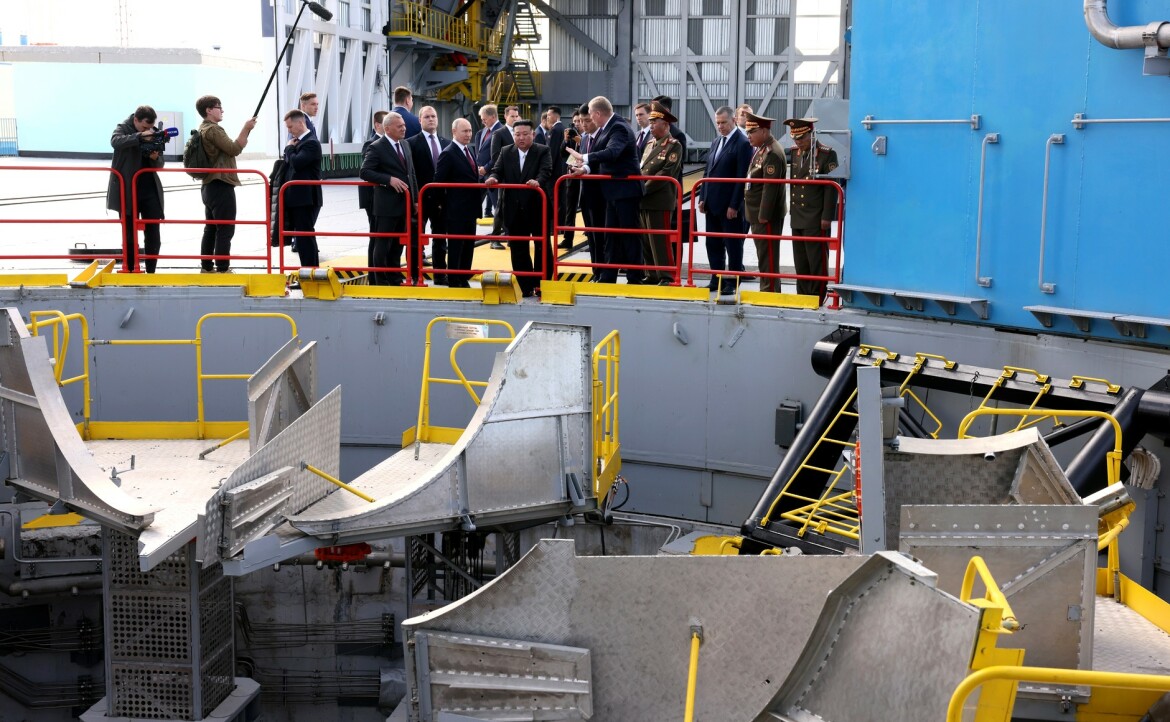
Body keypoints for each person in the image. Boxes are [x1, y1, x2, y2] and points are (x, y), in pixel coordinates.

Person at [567, 96, 644, 285]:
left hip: (625, 192)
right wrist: (585, 169)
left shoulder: (618, 128)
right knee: (610, 235)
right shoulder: (607, 129)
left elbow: (612, 153)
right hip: (612, 192)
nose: (589, 121)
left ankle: (635, 277)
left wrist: (583, 157)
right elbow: (602, 159)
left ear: (598, 113)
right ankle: (608, 276)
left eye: (590, 116)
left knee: (629, 235)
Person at [486, 119, 553, 297]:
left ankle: (543, 284)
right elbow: (497, 170)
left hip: (536, 206)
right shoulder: (506, 151)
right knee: (518, 248)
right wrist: (493, 178)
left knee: (542, 247)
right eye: (517, 135)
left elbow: (546, 171)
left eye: (525, 134)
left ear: (533, 134)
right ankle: (526, 286)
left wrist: (537, 181)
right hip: (514, 208)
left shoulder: (542, 150)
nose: (521, 138)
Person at [196, 95, 256, 273]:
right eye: (218, 107)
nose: (222, 110)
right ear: (208, 110)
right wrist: (246, 128)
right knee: (225, 228)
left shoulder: (202, 128)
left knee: (211, 228)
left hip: (209, 185)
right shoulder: (214, 130)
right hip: (221, 184)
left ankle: (207, 267)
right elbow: (234, 149)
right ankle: (223, 268)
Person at [698, 106, 753, 294]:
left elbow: (741, 177)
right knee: (713, 244)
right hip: (712, 204)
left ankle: (732, 282)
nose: (720, 126)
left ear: (734, 121)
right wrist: (703, 197)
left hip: (730, 206)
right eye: (718, 123)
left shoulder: (742, 143)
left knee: (733, 245)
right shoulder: (716, 141)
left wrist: (734, 205)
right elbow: (708, 171)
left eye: (724, 122)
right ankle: (716, 278)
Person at [784, 117, 839, 304]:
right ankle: (803, 295)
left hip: (816, 216)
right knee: (800, 260)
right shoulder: (795, 152)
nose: (798, 142)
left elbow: (830, 188)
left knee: (817, 260)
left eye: (801, 137)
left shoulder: (827, 154)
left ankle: (817, 296)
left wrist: (827, 216)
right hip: (798, 215)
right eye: (795, 138)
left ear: (811, 134)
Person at [359, 111, 419, 285]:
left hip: (404, 203)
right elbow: (365, 172)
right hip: (386, 205)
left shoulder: (405, 144)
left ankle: (395, 277)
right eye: (399, 126)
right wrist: (388, 180)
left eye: (404, 125)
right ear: (387, 128)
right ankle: (380, 279)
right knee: (383, 244)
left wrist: (415, 199)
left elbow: (411, 174)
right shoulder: (377, 147)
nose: (404, 128)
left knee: (398, 244)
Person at [108, 105, 165, 273]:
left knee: (153, 231)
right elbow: (115, 142)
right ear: (135, 120)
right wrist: (139, 136)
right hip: (127, 188)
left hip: (149, 188)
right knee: (129, 231)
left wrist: (155, 157)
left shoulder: (153, 132)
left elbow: (160, 164)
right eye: (144, 127)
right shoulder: (123, 128)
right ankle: (131, 269)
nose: (148, 130)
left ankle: (151, 270)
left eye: (150, 127)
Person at [638, 102, 683, 285]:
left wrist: (642, 189)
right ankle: (651, 273)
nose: (650, 125)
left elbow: (665, 174)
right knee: (646, 239)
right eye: (650, 122)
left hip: (659, 199)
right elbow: (642, 169)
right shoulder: (650, 144)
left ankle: (666, 275)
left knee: (659, 240)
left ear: (665, 124)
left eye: (654, 122)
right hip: (644, 199)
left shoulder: (673, 145)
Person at [434, 117, 481, 287]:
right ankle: (454, 279)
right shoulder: (448, 153)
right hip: (455, 209)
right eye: (465, 131)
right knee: (456, 246)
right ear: (454, 132)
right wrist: (444, 205)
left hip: (470, 208)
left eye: (470, 131)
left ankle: (463, 276)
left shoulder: (469, 150)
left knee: (468, 245)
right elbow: (438, 182)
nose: (468, 134)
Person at [743, 112, 787, 293]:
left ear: (763, 131)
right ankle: (768, 288)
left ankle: (770, 291)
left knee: (768, 255)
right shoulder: (762, 149)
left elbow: (770, 188)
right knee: (764, 255)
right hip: (756, 212)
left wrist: (764, 215)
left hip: (765, 216)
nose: (748, 136)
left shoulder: (772, 153)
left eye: (752, 132)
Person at [407, 105, 451, 283]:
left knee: (440, 239)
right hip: (420, 200)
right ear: (420, 120)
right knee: (415, 239)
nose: (431, 119)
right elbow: (409, 173)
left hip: (442, 200)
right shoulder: (411, 143)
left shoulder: (446, 143)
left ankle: (440, 274)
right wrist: (414, 198)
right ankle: (414, 274)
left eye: (433, 116)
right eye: (427, 117)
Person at [282, 109, 323, 268]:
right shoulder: (299, 142)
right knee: (302, 234)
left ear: (300, 123)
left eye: (290, 126)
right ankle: (309, 268)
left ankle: (310, 268)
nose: (289, 131)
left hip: (306, 197)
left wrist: (289, 148)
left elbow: (297, 163)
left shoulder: (311, 142)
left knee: (305, 234)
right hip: (299, 197)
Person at [358, 110, 389, 270]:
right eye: (386, 123)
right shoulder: (371, 144)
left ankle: (383, 269)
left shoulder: (392, 143)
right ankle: (373, 271)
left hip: (384, 197)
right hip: (373, 198)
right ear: (377, 125)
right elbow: (367, 171)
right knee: (376, 235)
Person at [488, 105, 520, 245]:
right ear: (505, 116)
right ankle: (495, 238)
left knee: (515, 208)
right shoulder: (499, 133)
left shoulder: (520, 132)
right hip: (505, 176)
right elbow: (495, 156)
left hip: (519, 176)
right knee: (501, 207)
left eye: (516, 116)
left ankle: (511, 237)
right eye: (512, 116)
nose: (515, 118)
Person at [546, 106, 577, 250]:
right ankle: (562, 229)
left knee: (555, 200)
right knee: (564, 202)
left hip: (556, 172)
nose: (548, 117)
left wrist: (548, 169)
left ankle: (556, 227)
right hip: (564, 171)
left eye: (549, 115)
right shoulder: (563, 130)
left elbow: (552, 152)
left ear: (555, 115)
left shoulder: (555, 130)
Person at [475, 104, 501, 223]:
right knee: (474, 201)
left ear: (493, 116)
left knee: (497, 205)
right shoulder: (484, 132)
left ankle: (503, 231)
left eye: (484, 119)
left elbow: (498, 155)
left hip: (492, 174)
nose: (483, 121)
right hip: (481, 174)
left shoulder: (500, 131)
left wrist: (485, 168)